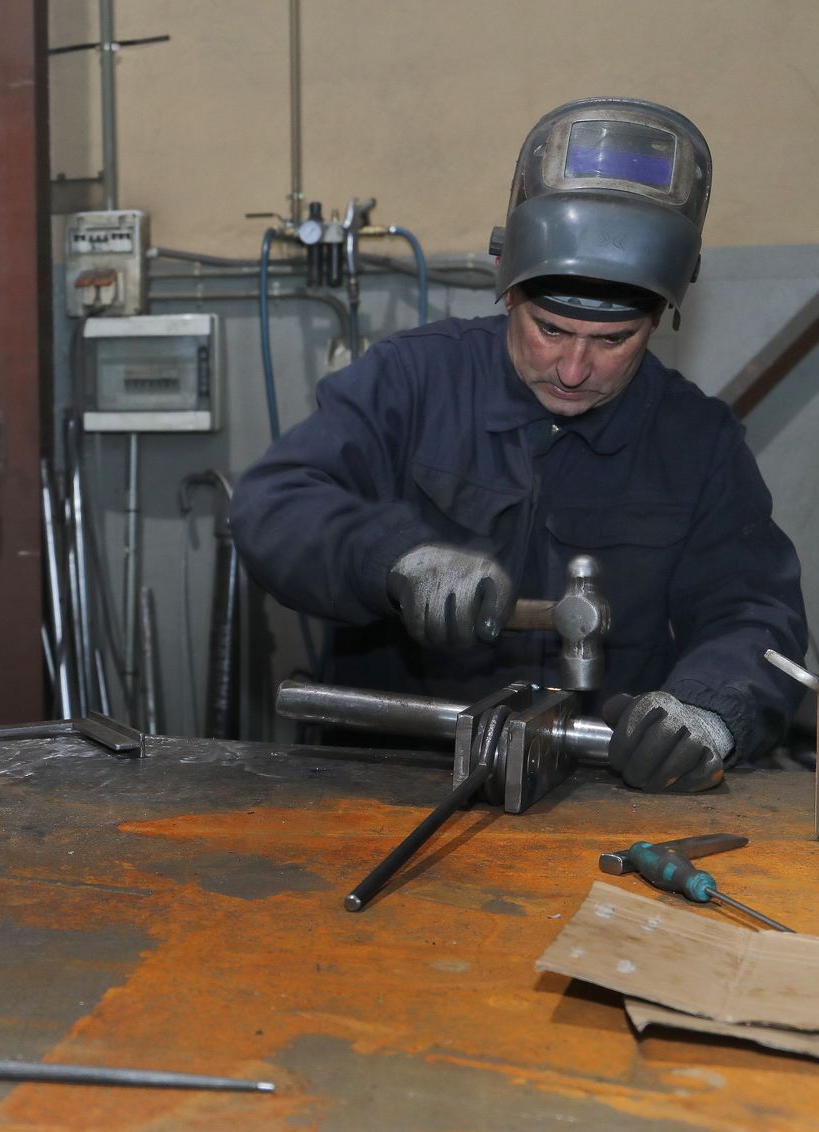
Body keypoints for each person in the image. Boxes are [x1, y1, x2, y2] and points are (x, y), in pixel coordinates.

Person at [230, 97, 807, 793]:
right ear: (506, 287)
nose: (572, 369)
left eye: (612, 341)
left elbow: (756, 613)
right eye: (551, 329)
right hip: (384, 778)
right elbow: (272, 505)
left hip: (590, 791)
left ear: (660, 317)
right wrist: (393, 560)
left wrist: (710, 710)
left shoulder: (698, 442)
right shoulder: (414, 380)